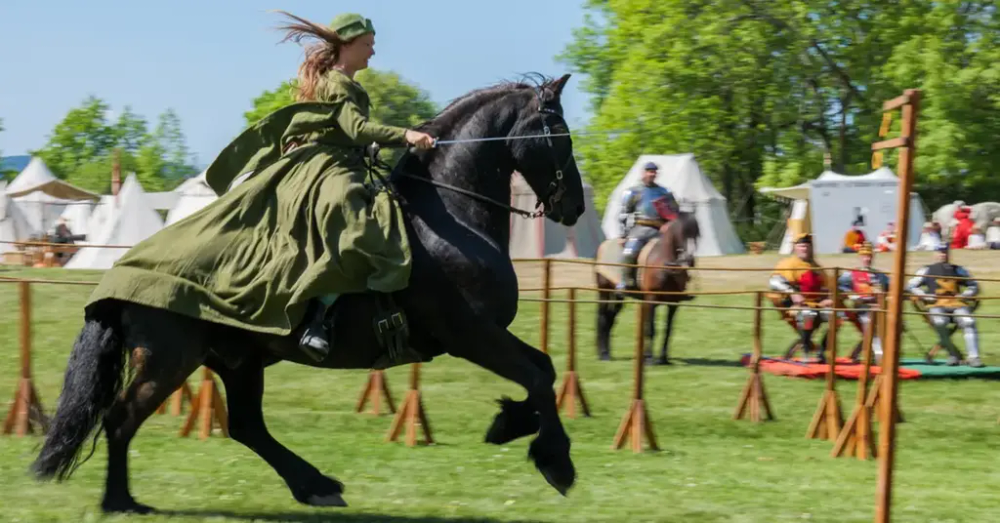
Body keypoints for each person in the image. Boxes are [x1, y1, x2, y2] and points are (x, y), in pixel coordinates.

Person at [82, 11, 436, 363]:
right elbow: (356, 127)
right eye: (367, 45)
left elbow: (345, 132)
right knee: (352, 218)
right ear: (346, 45)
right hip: (327, 171)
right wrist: (405, 135)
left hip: (342, 162)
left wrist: (368, 147)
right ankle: (317, 319)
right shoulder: (337, 82)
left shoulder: (348, 83)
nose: (372, 52)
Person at [906, 244, 983, 367]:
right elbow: (910, 286)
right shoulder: (926, 270)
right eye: (940, 252)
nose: (943, 255)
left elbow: (973, 285)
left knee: (969, 322)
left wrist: (964, 296)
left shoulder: (958, 269)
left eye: (945, 252)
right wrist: (925, 296)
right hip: (936, 304)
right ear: (934, 254)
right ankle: (952, 354)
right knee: (940, 322)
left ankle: (974, 357)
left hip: (956, 304)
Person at [615, 161, 679, 294]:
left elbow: (674, 212)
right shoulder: (633, 192)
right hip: (640, 230)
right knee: (629, 253)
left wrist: (668, 225)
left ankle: (676, 284)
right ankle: (625, 281)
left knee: (677, 253)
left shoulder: (664, 192)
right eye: (649, 171)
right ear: (643, 173)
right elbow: (624, 214)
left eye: (654, 172)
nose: (652, 174)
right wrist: (623, 235)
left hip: (660, 231)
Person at [769, 233, 833, 361]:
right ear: (795, 247)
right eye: (802, 246)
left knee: (836, 317)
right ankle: (806, 353)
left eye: (807, 246)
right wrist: (792, 293)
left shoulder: (817, 267)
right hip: (793, 305)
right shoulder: (788, 264)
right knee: (807, 315)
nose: (805, 249)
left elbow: (825, 287)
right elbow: (774, 282)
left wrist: (828, 298)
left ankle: (822, 350)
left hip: (815, 304)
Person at [837, 241, 888, 361]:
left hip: (879, 307)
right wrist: (852, 296)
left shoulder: (880, 275)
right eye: (865, 256)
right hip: (862, 308)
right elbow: (838, 286)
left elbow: (891, 287)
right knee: (871, 327)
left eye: (869, 256)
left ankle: (855, 354)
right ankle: (878, 357)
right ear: (860, 257)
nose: (867, 259)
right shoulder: (852, 273)